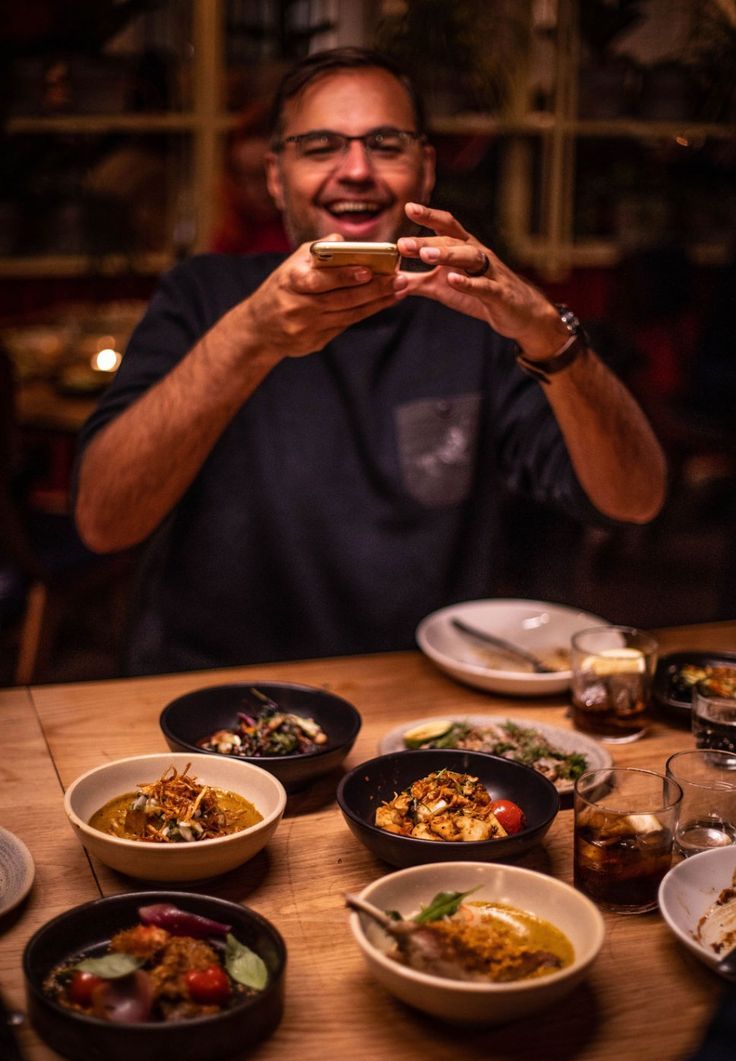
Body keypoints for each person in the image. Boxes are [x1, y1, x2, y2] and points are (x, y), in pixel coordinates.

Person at [73, 47, 666, 676]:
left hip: (425, 704)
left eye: (385, 144)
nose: (355, 170)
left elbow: (634, 499)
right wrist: (253, 335)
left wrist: (548, 333)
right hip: (224, 700)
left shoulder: (476, 316)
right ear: (276, 177)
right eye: (321, 146)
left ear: (426, 168)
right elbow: (104, 521)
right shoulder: (204, 294)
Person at [208, 101, 290, 255]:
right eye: (242, 177)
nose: (254, 190)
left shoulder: (303, 231)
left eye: (262, 175)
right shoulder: (234, 236)